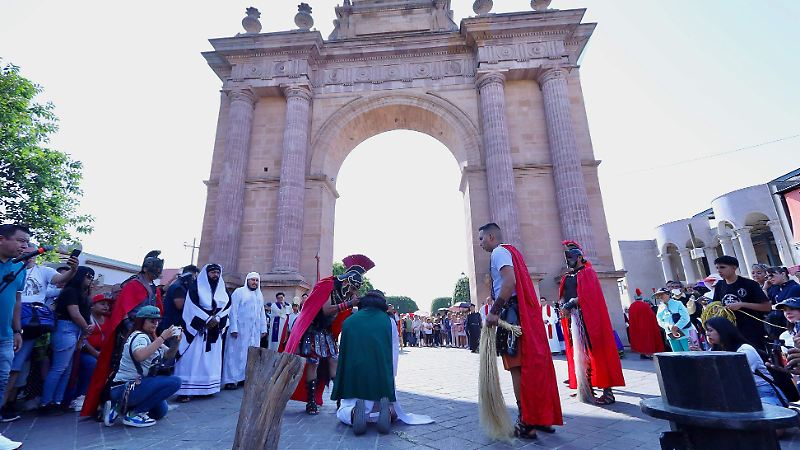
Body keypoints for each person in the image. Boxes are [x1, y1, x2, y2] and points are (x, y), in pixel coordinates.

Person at [478, 223, 562, 439]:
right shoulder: (511, 251)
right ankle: (539, 416)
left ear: (490, 236)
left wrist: (495, 311)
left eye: (481, 239)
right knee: (531, 365)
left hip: (511, 314)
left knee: (517, 366)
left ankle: (526, 420)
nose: (480, 243)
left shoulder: (498, 252)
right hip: (521, 313)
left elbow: (509, 282)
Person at [283, 254, 374, 415]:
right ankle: (311, 401)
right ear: (347, 281)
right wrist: (350, 303)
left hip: (326, 332)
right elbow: (326, 310)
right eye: (353, 287)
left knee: (334, 362)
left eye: (355, 289)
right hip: (312, 329)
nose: (353, 291)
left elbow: (338, 315)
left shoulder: (343, 291)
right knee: (313, 362)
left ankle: (341, 401)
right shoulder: (328, 286)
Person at [332, 290, 432, 435]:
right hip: (379, 376)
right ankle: (389, 411)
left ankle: (353, 414)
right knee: (390, 406)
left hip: (353, 376)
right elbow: (393, 352)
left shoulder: (348, 322)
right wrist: (390, 376)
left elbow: (343, 352)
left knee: (345, 408)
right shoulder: (388, 321)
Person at [82, 250, 165, 417]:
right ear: (148, 268)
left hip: (146, 333)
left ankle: (133, 404)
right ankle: (105, 405)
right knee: (116, 369)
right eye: (156, 267)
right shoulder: (134, 284)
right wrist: (130, 329)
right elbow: (123, 311)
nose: (158, 271)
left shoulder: (152, 287)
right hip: (128, 334)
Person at [559, 240, 625, 406]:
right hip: (572, 319)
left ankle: (608, 392)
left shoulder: (588, 273)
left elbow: (588, 296)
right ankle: (586, 388)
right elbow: (564, 294)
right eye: (567, 256)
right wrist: (562, 304)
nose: (568, 260)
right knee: (579, 354)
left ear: (579, 257)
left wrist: (571, 303)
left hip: (587, 318)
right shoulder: (567, 277)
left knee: (597, 352)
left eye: (571, 256)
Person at [104, 306, 182, 428]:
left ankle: (118, 408)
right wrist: (162, 338)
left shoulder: (152, 338)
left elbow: (168, 355)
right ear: (142, 321)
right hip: (125, 387)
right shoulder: (139, 336)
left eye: (157, 321)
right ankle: (133, 414)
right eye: (152, 321)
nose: (155, 324)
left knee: (160, 412)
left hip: (138, 386)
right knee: (175, 382)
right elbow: (139, 356)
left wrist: (176, 342)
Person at [39, 266, 95, 415]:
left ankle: (57, 402)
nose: (90, 280)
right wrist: (86, 328)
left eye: (92, 277)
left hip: (74, 330)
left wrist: (84, 330)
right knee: (59, 368)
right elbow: (75, 314)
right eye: (88, 276)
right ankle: (46, 403)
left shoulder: (81, 294)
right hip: (67, 328)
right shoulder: (70, 292)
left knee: (66, 369)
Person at [174, 263, 230, 402]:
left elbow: (228, 307)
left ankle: (207, 388)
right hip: (198, 331)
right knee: (192, 358)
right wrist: (206, 319)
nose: (215, 275)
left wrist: (216, 319)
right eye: (212, 272)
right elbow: (191, 306)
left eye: (217, 272)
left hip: (214, 330)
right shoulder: (195, 287)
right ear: (206, 273)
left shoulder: (223, 290)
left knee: (210, 360)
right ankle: (186, 391)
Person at [705, 317, 787, 407]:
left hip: (764, 393)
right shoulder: (716, 349)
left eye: (710, 330)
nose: (707, 334)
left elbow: (733, 377)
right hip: (740, 394)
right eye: (706, 331)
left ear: (722, 330)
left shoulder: (745, 349)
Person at [0, 224, 30, 449]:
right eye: (20, 240)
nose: (25, 246)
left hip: (6, 336)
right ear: (2, 239)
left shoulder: (19, 269)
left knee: (1, 383)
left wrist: (17, 330)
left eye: (26, 242)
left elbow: (17, 301)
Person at [712, 256, 771, 352]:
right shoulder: (719, 285)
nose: (719, 271)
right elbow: (716, 304)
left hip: (751, 330)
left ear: (734, 268)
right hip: (729, 331)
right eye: (717, 268)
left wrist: (742, 304)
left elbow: (767, 307)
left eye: (722, 267)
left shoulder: (750, 284)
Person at [64, 293, 112, 412]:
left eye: (107, 305)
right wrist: (96, 353)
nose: (106, 307)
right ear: (92, 306)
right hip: (85, 352)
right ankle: (80, 396)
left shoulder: (107, 319)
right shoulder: (86, 318)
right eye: (102, 304)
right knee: (92, 364)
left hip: (101, 351)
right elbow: (83, 339)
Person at [222, 272, 268, 390]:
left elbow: (261, 312)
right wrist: (233, 328)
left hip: (253, 332)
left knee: (250, 354)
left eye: (257, 281)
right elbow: (233, 311)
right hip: (239, 331)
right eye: (252, 280)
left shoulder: (259, 295)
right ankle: (231, 380)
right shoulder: (239, 292)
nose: (254, 283)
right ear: (247, 280)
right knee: (235, 354)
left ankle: (244, 378)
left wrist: (263, 328)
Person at [159, 265, 199, 334]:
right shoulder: (179, 287)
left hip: (174, 326)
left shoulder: (181, 285)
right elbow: (180, 306)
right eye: (194, 277)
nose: (195, 279)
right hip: (172, 327)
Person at [627, 289, 665, 358]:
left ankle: (643, 353)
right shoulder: (645, 305)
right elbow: (652, 316)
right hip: (646, 326)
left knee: (640, 340)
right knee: (648, 340)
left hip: (637, 327)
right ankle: (648, 354)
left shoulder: (632, 306)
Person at [654, 288, 692, 352]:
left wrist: (677, 326)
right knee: (677, 353)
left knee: (689, 351)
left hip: (684, 332)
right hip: (670, 333)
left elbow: (685, 317)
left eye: (662, 294)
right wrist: (668, 326)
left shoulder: (678, 303)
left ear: (668, 294)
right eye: (659, 295)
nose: (660, 297)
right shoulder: (660, 307)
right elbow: (659, 320)